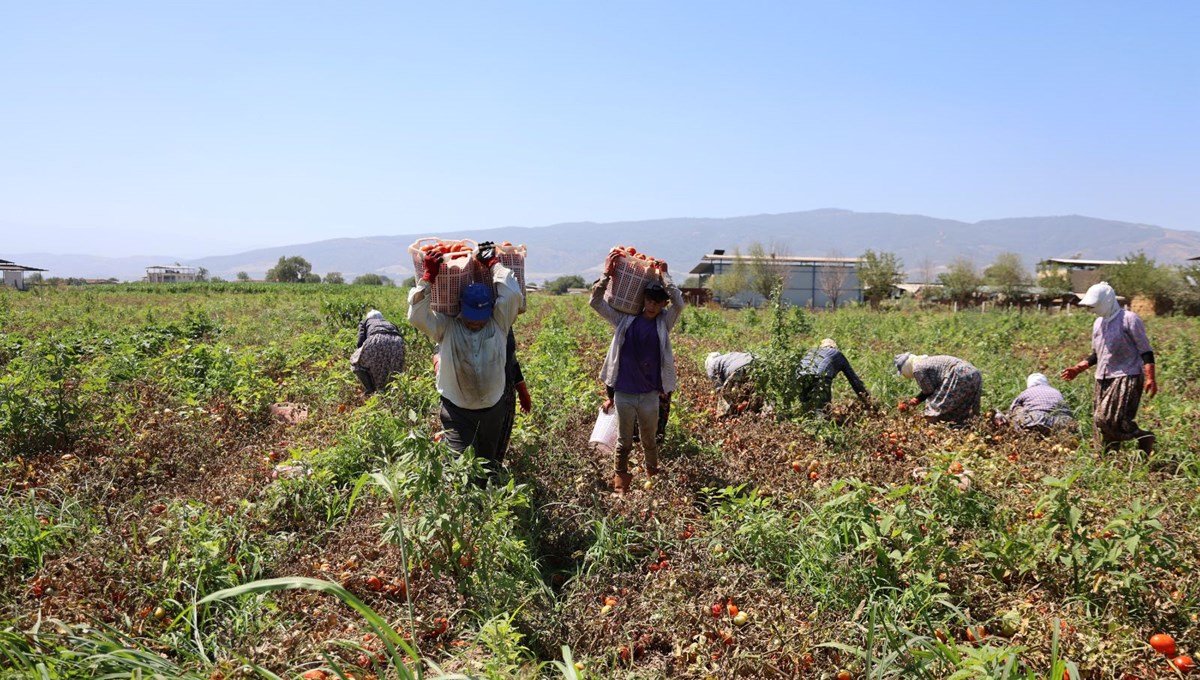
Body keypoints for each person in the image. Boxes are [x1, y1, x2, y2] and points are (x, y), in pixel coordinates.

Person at [408, 241, 522, 478]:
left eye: (480, 317)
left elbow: (511, 293)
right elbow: (417, 316)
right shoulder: (446, 327)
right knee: (460, 467)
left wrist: (493, 263)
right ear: (461, 308)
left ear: (490, 309)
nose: (476, 322)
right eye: (471, 317)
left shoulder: (499, 323)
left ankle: (487, 507)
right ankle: (465, 508)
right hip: (457, 410)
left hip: (493, 407)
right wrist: (428, 277)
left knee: (488, 463)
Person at [591, 254, 684, 493]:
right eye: (649, 300)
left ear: (663, 304)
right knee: (623, 442)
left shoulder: (664, 323)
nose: (653, 306)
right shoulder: (625, 320)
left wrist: (664, 275)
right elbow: (596, 302)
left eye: (658, 302)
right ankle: (621, 482)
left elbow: (680, 303)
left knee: (649, 441)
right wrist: (607, 274)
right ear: (643, 299)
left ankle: (654, 478)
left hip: (650, 394)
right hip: (624, 393)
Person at [1060, 281, 1157, 453]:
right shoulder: (1098, 323)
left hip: (1127, 375)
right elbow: (1097, 354)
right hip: (1103, 376)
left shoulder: (1129, 319)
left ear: (1107, 301)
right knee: (1105, 422)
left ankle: (1143, 436)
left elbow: (1145, 350)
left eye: (1094, 305)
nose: (1092, 309)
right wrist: (1078, 368)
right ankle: (1109, 456)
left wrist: (1150, 377)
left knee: (1105, 418)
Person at [894, 352, 982, 426]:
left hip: (958, 373)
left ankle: (931, 431)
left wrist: (913, 402)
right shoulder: (925, 361)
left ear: (905, 367)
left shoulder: (917, 368)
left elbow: (929, 391)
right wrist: (915, 401)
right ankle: (968, 428)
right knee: (965, 406)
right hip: (974, 372)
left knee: (933, 407)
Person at [795, 339, 871, 412]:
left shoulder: (812, 351)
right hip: (822, 375)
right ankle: (822, 423)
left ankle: (805, 419)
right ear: (833, 347)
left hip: (800, 375)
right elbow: (853, 379)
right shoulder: (837, 354)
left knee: (805, 403)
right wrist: (866, 399)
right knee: (823, 408)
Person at [993, 373, 1077, 434]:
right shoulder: (1056, 391)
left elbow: (1012, 410)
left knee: (1017, 408)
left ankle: (1023, 431)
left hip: (1039, 420)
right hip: (1065, 423)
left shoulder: (1027, 392)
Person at [350, 309, 406, 394]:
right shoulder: (390, 323)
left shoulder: (365, 322)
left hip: (377, 338)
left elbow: (360, 342)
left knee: (356, 363)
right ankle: (390, 392)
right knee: (393, 368)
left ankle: (371, 391)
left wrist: (361, 352)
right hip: (397, 342)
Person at [497, 328, 533, 460]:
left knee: (494, 452)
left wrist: (522, 389)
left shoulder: (503, 317)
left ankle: (493, 477)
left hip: (502, 389)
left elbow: (510, 355)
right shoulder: (454, 319)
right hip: (463, 396)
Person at [705, 351, 757, 415]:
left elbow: (720, 388)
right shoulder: (728, 356)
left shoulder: (710, 364)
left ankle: (726, 416)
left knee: (725, 396)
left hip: (738, 370)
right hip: (756, 363)